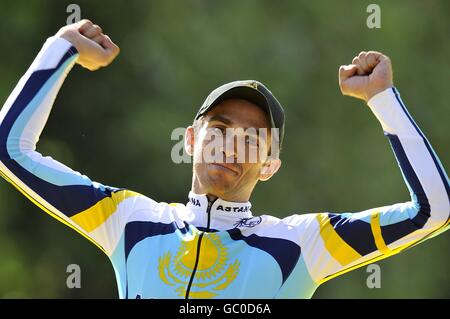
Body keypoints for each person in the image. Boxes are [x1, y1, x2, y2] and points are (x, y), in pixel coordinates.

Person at [0, 20, 448, 299]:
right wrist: (62, 48)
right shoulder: (129, 220)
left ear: (270, 164)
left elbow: (434, 211)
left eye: (253, 139)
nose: (232, 146)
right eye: (220, 129)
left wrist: (382, 100)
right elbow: (10, 150)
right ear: (192, 139)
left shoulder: (303, 244)